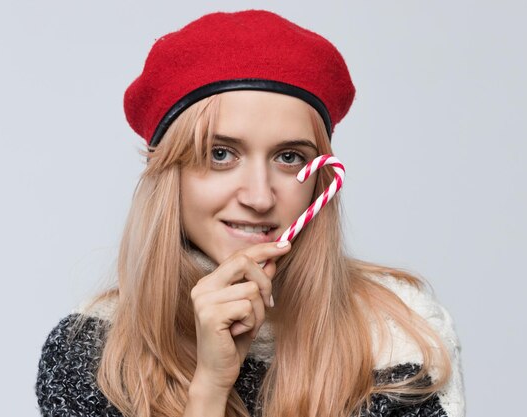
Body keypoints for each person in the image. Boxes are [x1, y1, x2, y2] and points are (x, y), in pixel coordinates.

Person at [35, 9, 464, 417]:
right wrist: (210, 388)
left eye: (290, 158)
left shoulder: (401, 339)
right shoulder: (91, 351)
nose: (260, 197)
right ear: (168, 173)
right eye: (221, 154)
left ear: (320, 177)